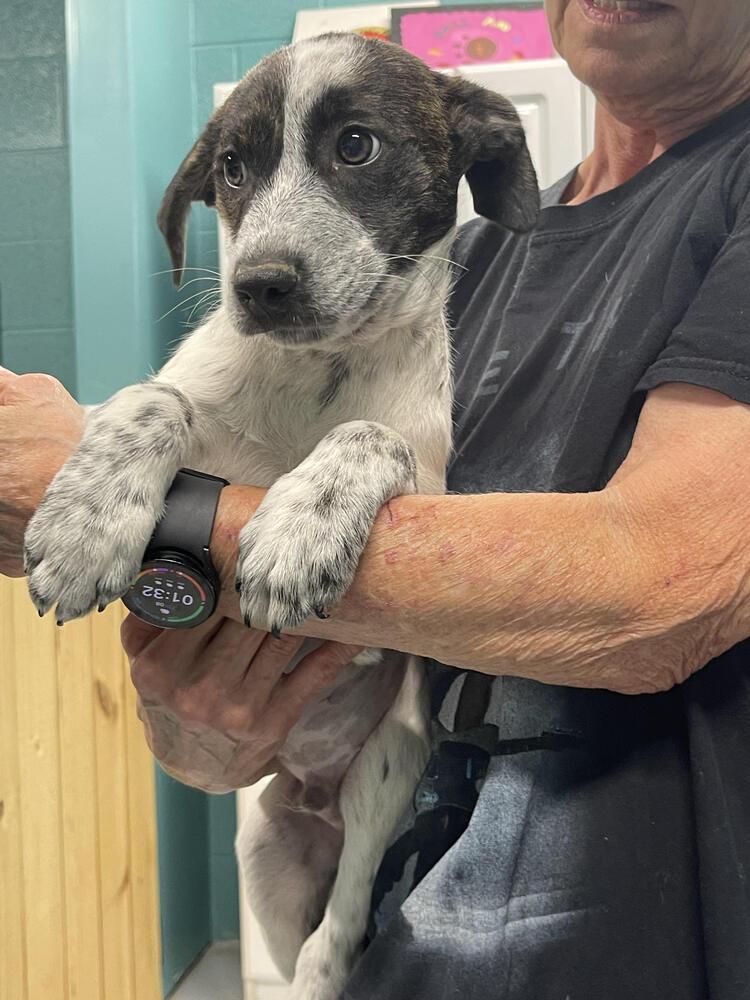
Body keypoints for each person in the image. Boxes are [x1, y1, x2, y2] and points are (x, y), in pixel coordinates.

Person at [2, 0, 750, 996]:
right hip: (394, 949)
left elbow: (662, 592)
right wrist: (204, 713)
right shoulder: (462, 262)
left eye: (355, 145)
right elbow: (209, 731)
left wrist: (162, 518)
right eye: (242, 173)